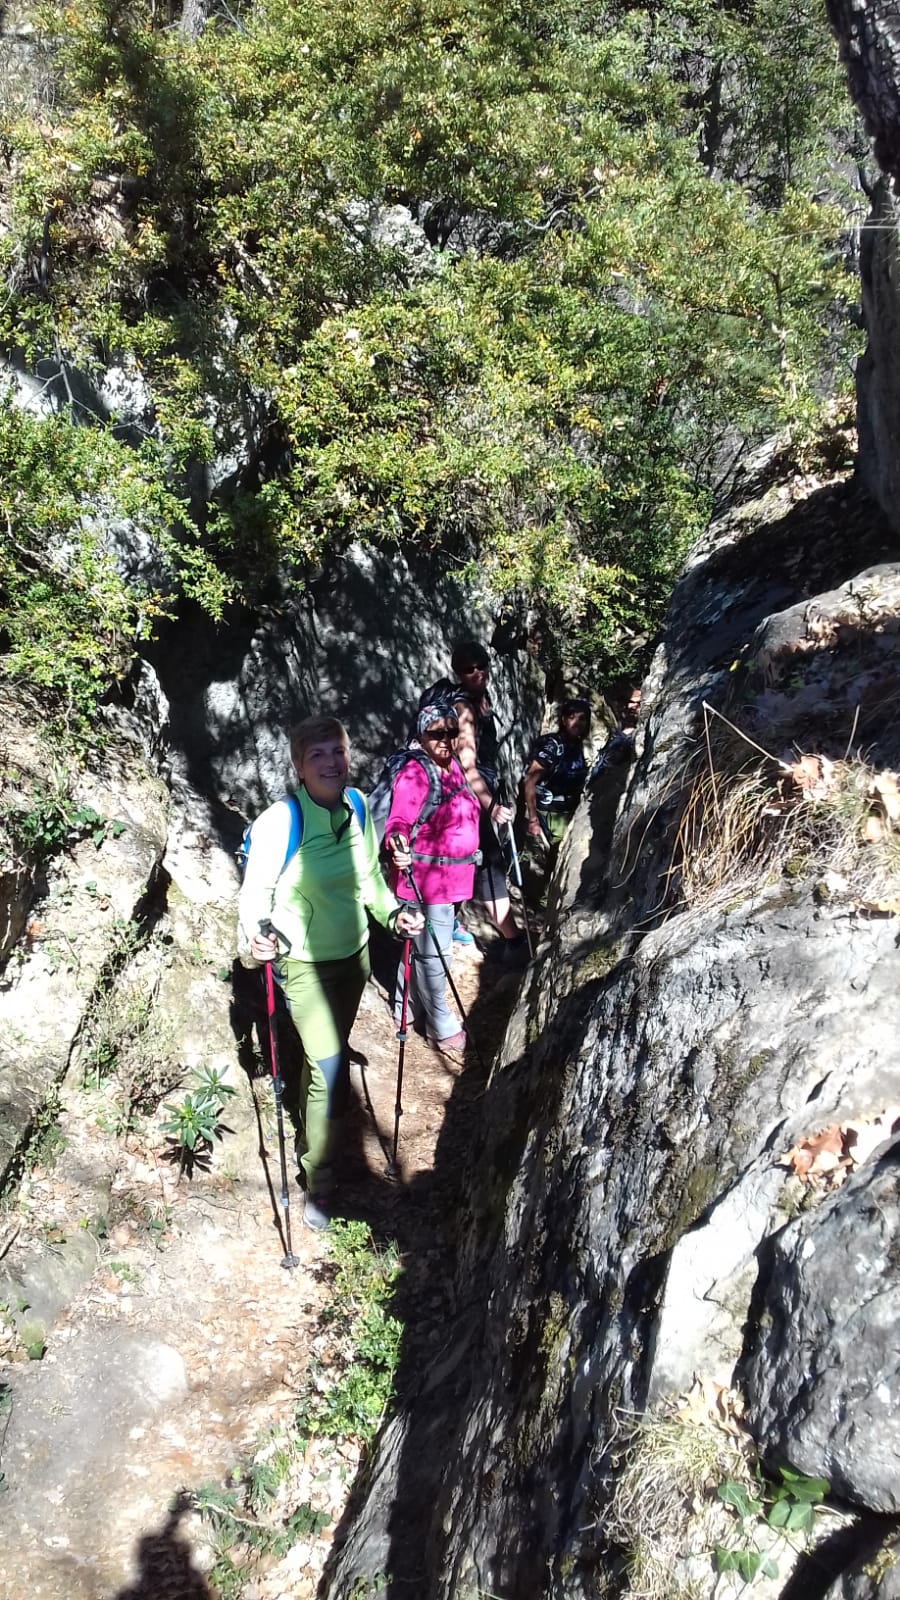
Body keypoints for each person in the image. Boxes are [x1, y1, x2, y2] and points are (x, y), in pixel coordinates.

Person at [237, 715, 423, 1231]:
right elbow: (255, 894)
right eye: (316, 754)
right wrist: (255, 938)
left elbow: (369, 878)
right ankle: (319, 1176)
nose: (330, 762)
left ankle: (310, 1130)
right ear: (299, 766)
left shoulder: (357, 806)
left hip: (353, 957)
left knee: (327, 1057)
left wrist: (393, 913)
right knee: (330, 1065)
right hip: (303, 964)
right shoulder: (281, 821)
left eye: (337, 751)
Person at [385, 704, 482, 1057]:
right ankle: (440, 1025)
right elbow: (398, 822)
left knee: (421, 946)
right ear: (422, 736)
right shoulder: (415, 773)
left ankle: (405, 1006)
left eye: (451, 732)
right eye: (436, 733)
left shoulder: (452, 767)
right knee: (434, 955)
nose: (445, 739)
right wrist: (398, 845)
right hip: (426, 882)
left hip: (450, 880)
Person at [445, 639, 526, 959]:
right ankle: (514, 942)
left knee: (475, 862)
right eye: (469, 669)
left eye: (481, 666)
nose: (477, 672)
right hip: (471, 800)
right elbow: (467, 765)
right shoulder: (464, 708)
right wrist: (490, 805)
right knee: (489, 864)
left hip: (478, 796)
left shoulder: (482, 700)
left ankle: (450, 922)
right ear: (458, 673)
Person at [523, 697, 592, 860]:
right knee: (538, 866)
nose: (577, 723)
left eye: (582, 718)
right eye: (572, 717)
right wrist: (533, 820)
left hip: (567, 815)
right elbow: (529, 780)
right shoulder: (552, 745)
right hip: (546, 816)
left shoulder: (576, 745)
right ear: (563, 719)